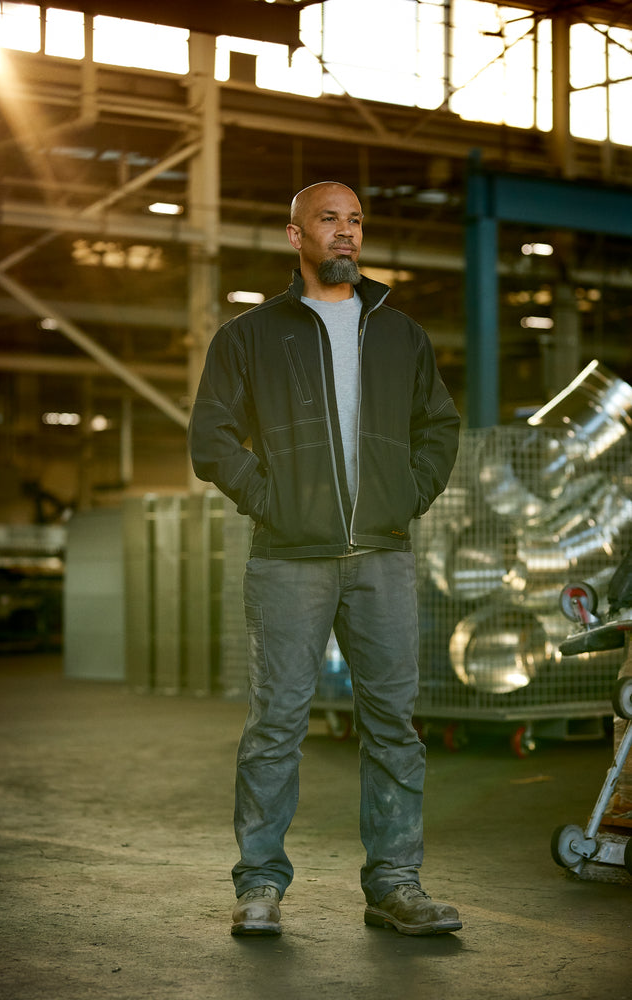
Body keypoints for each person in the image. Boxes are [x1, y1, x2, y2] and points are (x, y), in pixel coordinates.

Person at [190, 181, 462, 937]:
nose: (346, 234)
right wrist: (270, 499)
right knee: (276, 725)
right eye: (328, 221)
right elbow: (209, 436)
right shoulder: (250, 335)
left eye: (355, 222)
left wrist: (403, 496)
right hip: (289, 559)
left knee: (393, 728)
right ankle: (260, 886)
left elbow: (439, 426)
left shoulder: (399, 333)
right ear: (295, 236)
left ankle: (396, 884)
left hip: (382, 557)